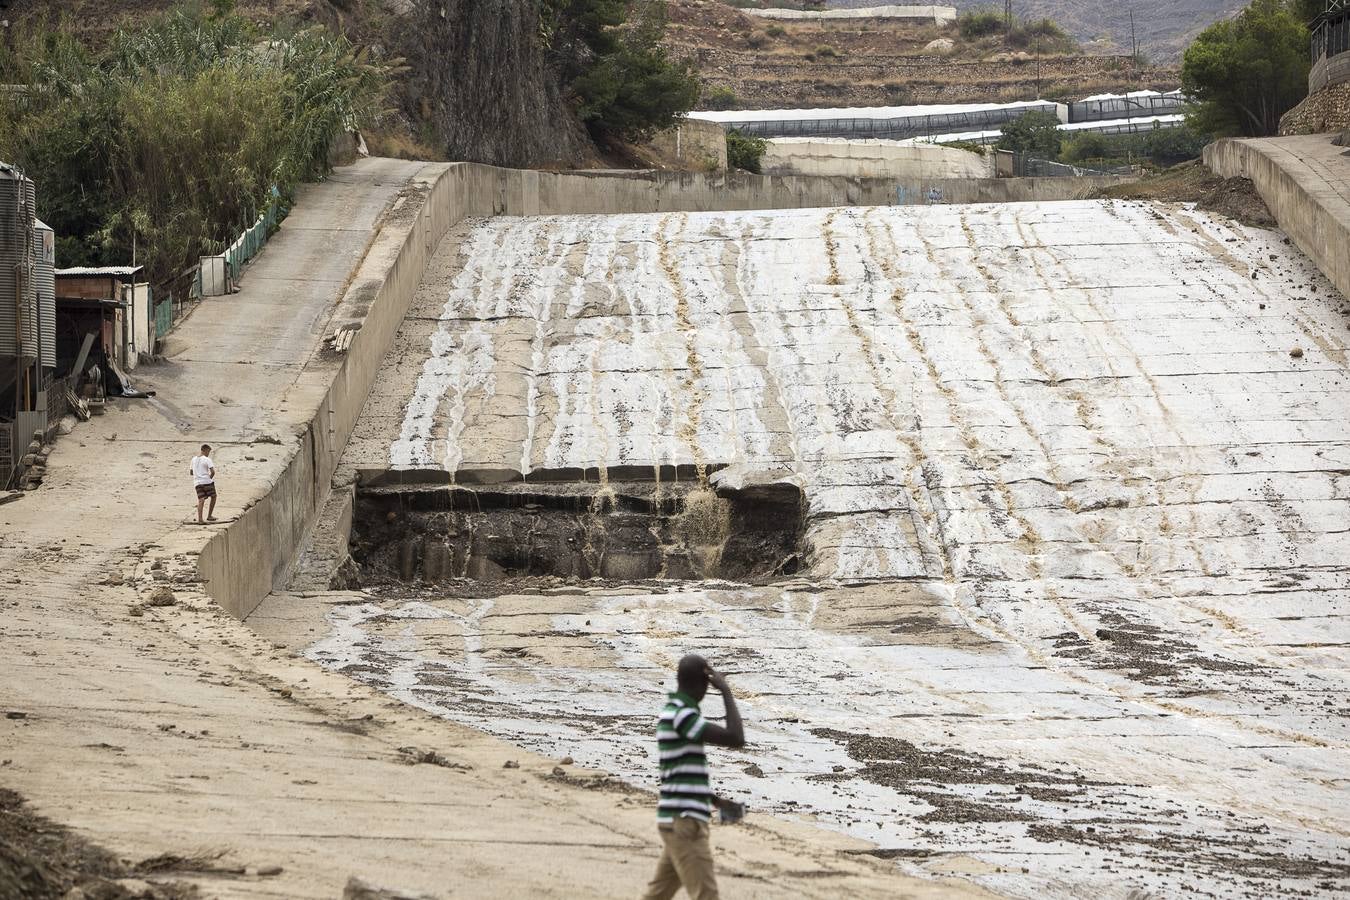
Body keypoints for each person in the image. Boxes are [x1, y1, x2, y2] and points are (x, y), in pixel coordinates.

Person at [642, 654, 745, 900]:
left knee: (657, 894)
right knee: (706, 895)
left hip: (676, 819)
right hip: (685, 823)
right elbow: (735, 737)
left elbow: (677, 773)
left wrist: (715, 800)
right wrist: (726, 692)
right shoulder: (683, 716)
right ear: (703, 683)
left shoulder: (674, 713)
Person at [190, 444, 217, 524]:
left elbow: (191, 472)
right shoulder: (207, 459)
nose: (208, 453)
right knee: (214, 496)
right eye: (208, 451)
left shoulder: (193, 459)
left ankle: (200, 519)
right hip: (206, 481)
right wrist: (209, 478)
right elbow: (213, 472)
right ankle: (209, 516)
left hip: (197, 482)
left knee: (201, 500)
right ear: (205, 450)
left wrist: (197, 473)